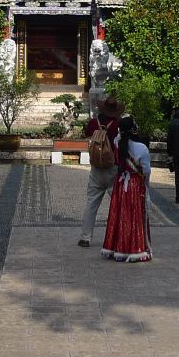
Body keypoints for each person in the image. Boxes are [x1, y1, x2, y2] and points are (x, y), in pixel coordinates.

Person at [102, 114, 151, 262]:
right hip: (135, 184)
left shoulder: (117, 144)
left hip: (120, 182)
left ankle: (115, 247)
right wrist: (146, 185)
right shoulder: (141, 148)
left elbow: (118, 137)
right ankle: (134, 248)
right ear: (134, 130)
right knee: (134, 216)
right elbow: (146, 171)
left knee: (119, 215)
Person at [78, 95, 122, 248]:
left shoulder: (93, 123)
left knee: (91, 203)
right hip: (113, 167)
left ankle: (85, 237)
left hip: (96, 167)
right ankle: (117, 237)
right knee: (116, 204)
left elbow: (87, 134)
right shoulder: (118, 125)